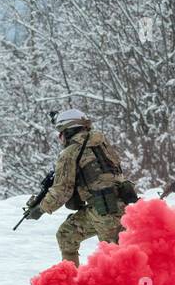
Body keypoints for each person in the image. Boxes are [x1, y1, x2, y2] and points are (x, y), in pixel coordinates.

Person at [25, 109, 132, 265]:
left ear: (69, 130)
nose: (59, 138)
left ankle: (75, 282)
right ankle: (71, 281)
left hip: (104, 214)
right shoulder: (101, 143)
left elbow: (62, 191)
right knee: (66, 234)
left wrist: (40, 209)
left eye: (60, 133)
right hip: (123, 206)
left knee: (116, 265)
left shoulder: (70, 153)